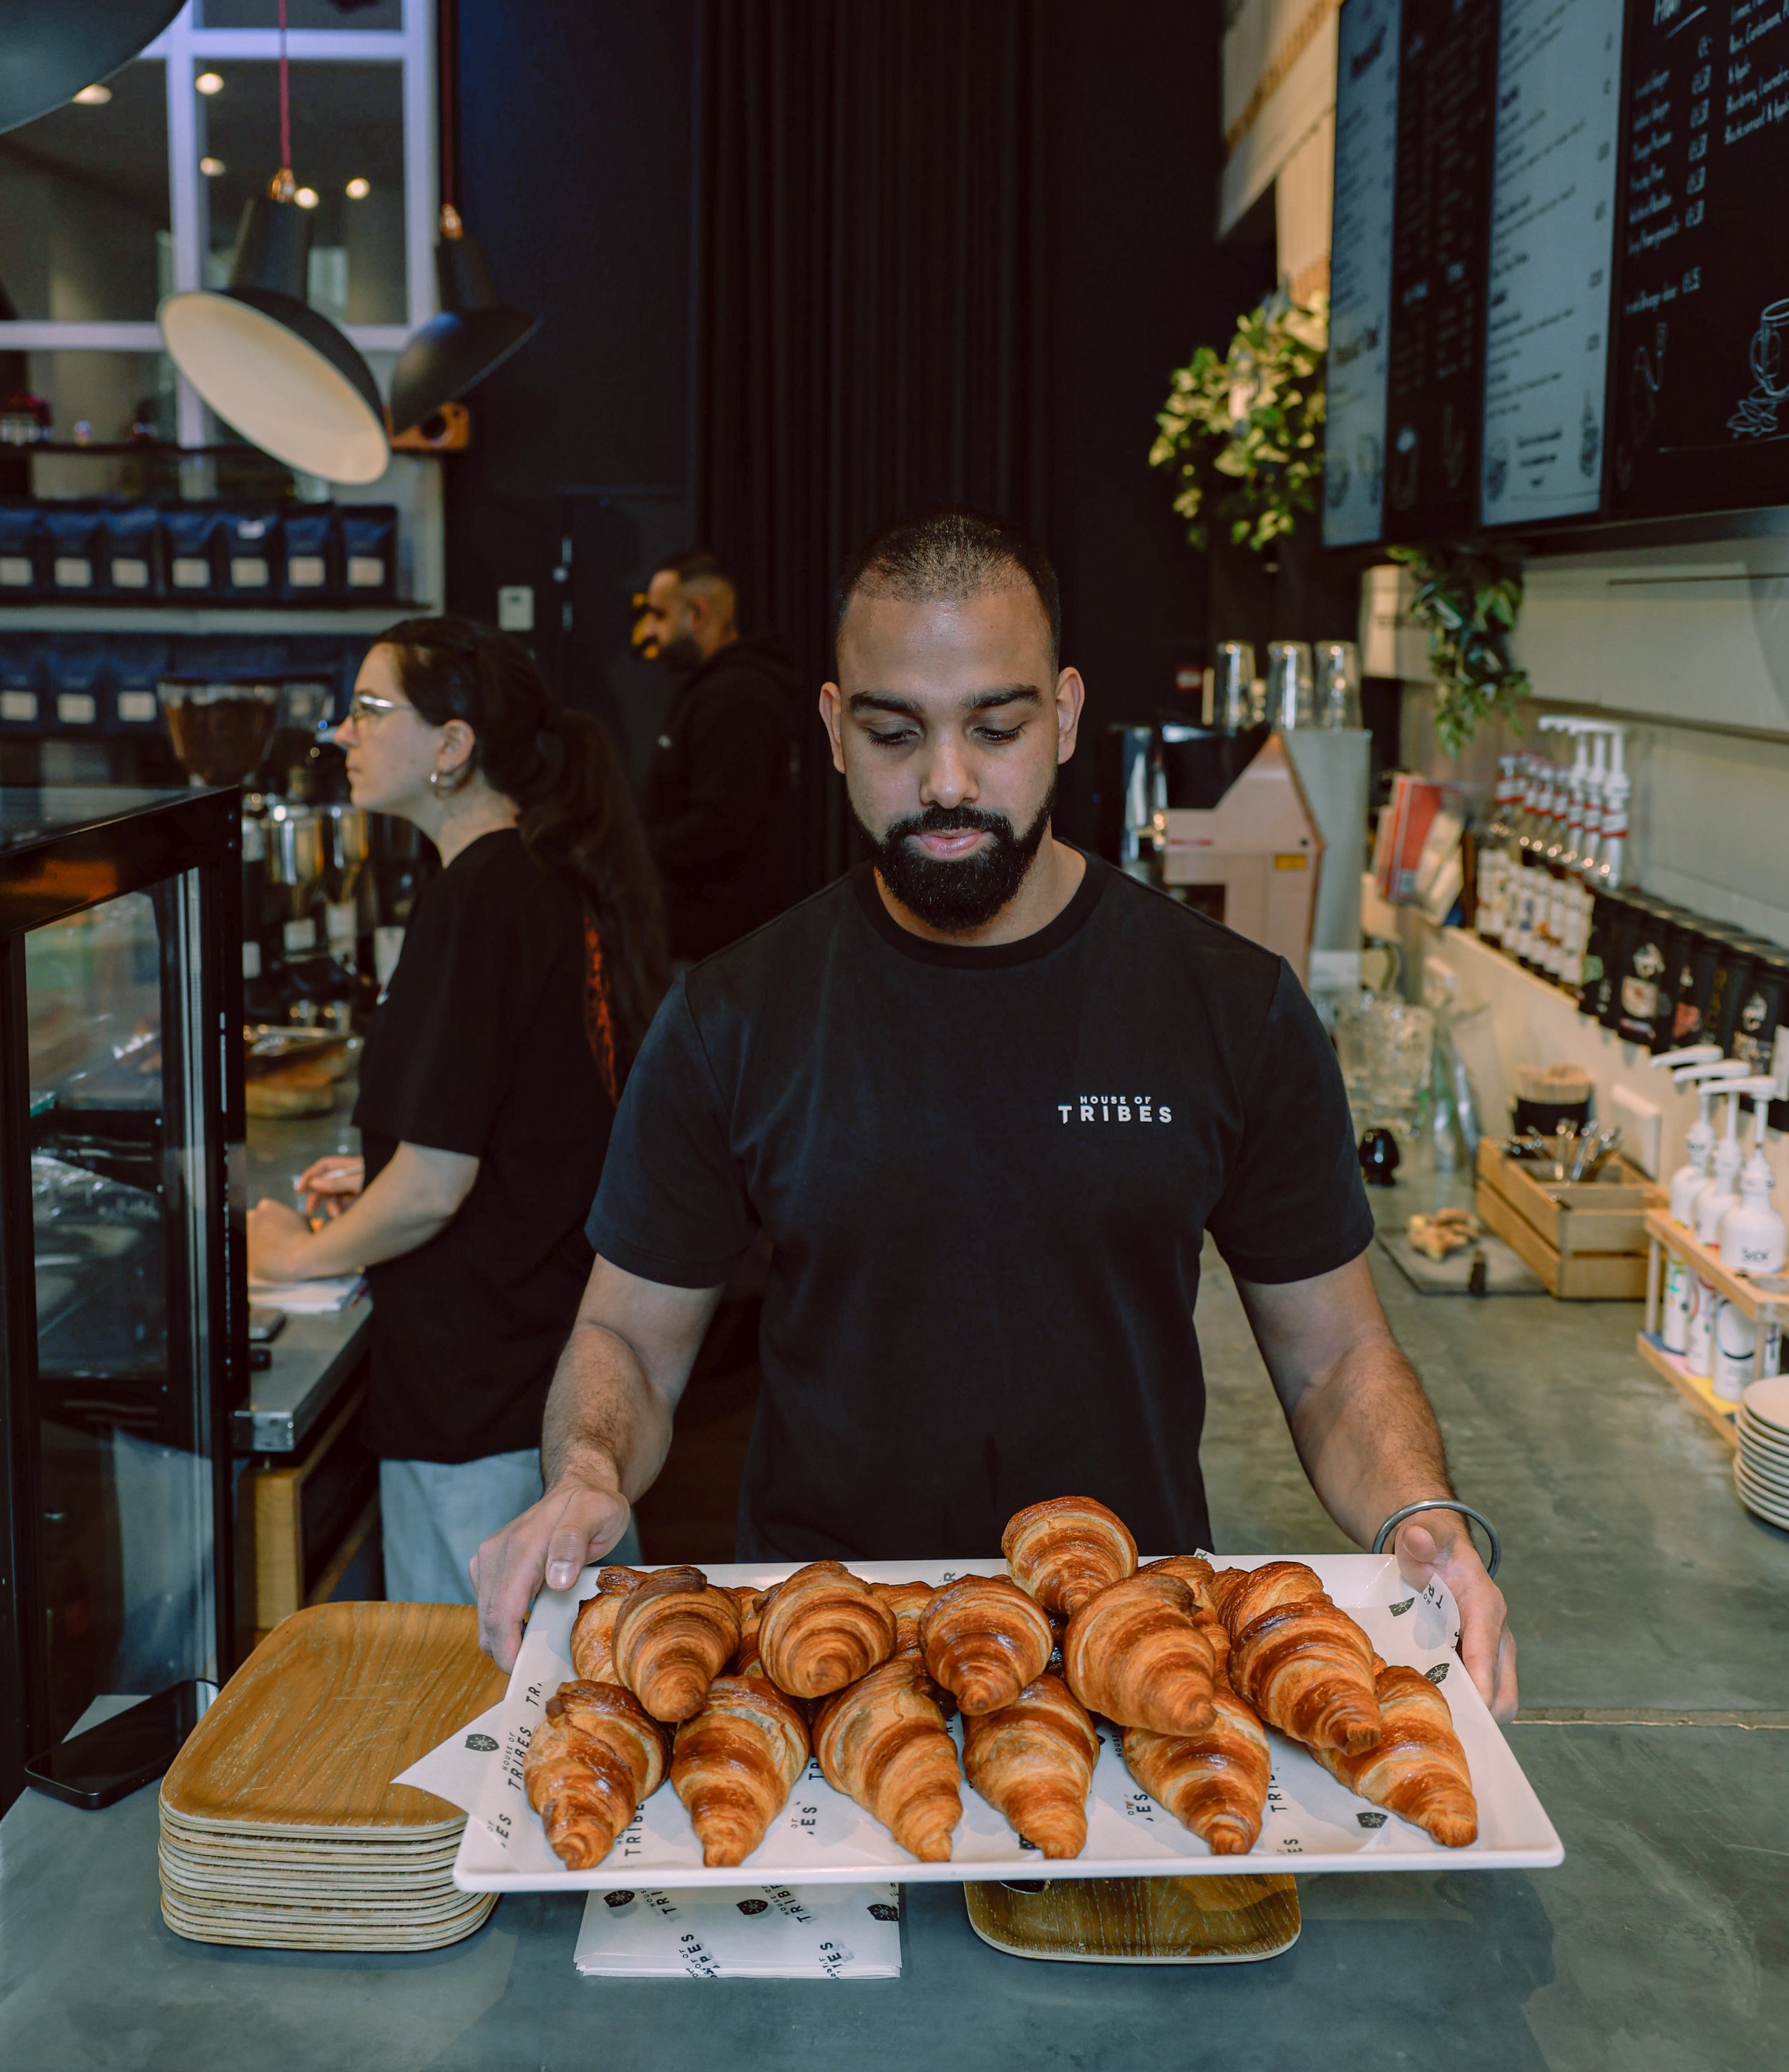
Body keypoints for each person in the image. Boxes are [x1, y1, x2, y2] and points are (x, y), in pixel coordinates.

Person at [471, 508, 1516, 1721]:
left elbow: (1333, 1358)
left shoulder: (1231, 1006)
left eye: (996, 727)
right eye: (894, 733)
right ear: (833, 731)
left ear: (1065, 715)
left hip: (1132, 1657)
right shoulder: (732, 1016)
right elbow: (630, 1340)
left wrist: (1420, 1515)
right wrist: (584, 1471)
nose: (947, 781)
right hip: (826, 1659)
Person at [245, 617, 668, 1602]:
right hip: (529, 1366)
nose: (340, 733)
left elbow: (437, 1185)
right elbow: (523, 1122)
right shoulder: (533, 878)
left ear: (452, 744)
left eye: (368, 708)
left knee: (485, 1682)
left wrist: (297, 1255)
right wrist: (381, 1164)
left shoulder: (478, 899)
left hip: (480, 1398)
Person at [635, 549, 805, 958]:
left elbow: (722, 825)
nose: (649, 632)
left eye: (659, 615)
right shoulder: (719, 690)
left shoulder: (735, 697)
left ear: (697, 612)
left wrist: (633, 848)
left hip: (720, 947)